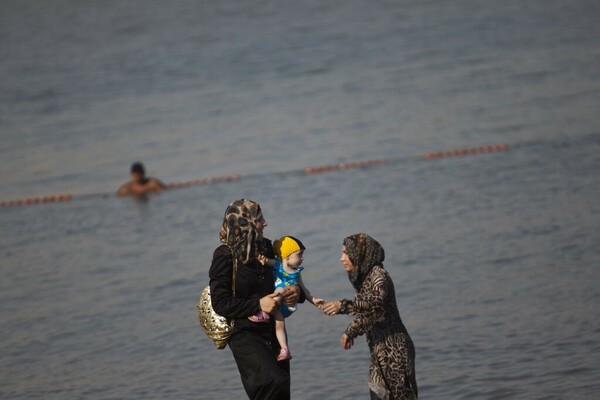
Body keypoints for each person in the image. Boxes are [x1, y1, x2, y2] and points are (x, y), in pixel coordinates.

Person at [209, 199, 303, 400]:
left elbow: (288, 276)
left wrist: (296, 292)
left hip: (274, 332)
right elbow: (220, 303)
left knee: (282, 389)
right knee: (270, 383)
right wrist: (258, 304)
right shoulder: (225, 255)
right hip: (244, 335)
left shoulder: (267, 248)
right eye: (259, 219)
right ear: (245, 223)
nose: (265, 223)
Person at [322, 233, 418, 400]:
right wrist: (350, 332)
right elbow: (370, 315)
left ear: (358, 253)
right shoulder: (364, 277)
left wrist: (343, 306)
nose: (341, 258)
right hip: (378, 352)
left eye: (346, 253)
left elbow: (375, 306)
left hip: (396, 352)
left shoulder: (379, 276)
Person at [249, 236, 325, 361]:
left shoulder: (296, 272)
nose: (302, 258)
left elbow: (304, 291)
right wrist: (262, 259)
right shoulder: (278, 264)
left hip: (286, 304)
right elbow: (267, 261)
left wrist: (314, 300)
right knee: (279, 325)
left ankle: (264, 313)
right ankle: (285, 350)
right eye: (299, 255)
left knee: (280, 290)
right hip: (277, 308)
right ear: (287, 256)